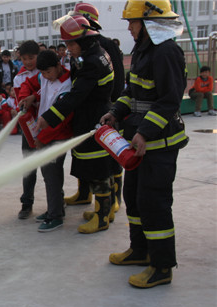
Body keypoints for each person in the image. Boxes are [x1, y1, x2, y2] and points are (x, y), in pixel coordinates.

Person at [101, 0, 188, 288]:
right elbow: (132, 91)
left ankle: (162, 266)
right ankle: (139, 251)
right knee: (135, 199)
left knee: (155, 204)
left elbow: (169, 100)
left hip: (159, 144)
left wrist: (146, 132)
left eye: (133, 22)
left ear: (149, 22)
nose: (129, 27)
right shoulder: (143, 50)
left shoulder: (166, 52)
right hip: (139, 141)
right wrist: (116, 113)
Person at [37, 15, 115, 234]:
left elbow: (76, 95)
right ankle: (103, 210)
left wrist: (48, 117)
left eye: (71, 43)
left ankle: (101, 218)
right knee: (93, 167)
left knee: (98, 168)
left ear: (83, 41)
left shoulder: (91, 62)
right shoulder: (93, 54)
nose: (68, 49)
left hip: (94, 119)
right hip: (93, 116)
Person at [64, 2, 126, 222]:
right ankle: (84, 194)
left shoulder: (103, 46)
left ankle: (112, 199)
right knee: (84, 157)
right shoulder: (79, 47)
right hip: (85, 109)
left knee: (106, 160)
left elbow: (118, 79)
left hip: (105, 110)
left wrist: (115, 107)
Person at [18, 50, 72, 232]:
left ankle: (55, 216)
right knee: (50, 174)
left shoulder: (67, 85)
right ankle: (55, 208)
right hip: (45, 134)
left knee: (51, 176)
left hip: (57, 136)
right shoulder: (46, 78)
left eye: (48, 72)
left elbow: (61, 119)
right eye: (42, 73)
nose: (45, 77)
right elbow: (30, 85)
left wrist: (41, 138)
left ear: (58, 66)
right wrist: (32, 96)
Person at [12, 40, 40, 219]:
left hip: (48, 125)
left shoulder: (45, 71)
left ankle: (57, 203)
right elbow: (19, 102)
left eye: (32, 58)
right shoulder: (19, 78)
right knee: (29, 166)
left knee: (50, 168)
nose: (28, 62)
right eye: (25, 59)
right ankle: (26, 203)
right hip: (29, 127)